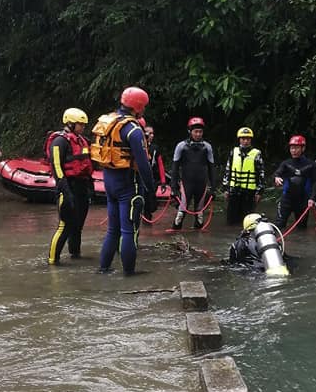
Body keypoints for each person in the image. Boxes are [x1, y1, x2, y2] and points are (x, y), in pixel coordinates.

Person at [91, 86, 155, 276]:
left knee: (113, 230)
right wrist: (151, 190)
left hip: (109, 181)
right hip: (128, 184)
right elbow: (143, 165)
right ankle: (129, 274)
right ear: (137, 107)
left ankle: (104, 269)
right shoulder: (134, 130)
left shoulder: (110, 121)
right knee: (129, 230)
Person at [46, 108, 93, 264]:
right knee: (65, 225)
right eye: (80, 124)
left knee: (78, 225)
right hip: (67, 188)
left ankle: (75, 255)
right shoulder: (59, 141)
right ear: (71, 123)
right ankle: (53, 260)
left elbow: (87, 164)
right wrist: (65, 191)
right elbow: (57, 168)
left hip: (82, 187)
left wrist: (90, 187)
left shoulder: (82, 140)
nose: (83, 127)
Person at [170, 117, 216, 230]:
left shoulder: (207, 147)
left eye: (200, 131)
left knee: (200, 214)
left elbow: (211, 168)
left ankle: (198, 240)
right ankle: (175, 233)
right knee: (181, 213)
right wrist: (174, 187)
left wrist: (213, 188)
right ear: (190, 131)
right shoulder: (181, 146)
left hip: (201, 183)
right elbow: (175, 168)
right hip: (187, 183)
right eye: (196, 131)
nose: (198, 134)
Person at [222, 126, 265, 226]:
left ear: (251, 140)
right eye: (243, 139)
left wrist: (259, 192)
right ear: (239, 140)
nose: (245, 141)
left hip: (249, 192)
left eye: (248, 139)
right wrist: (226, 189)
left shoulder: (256, 154)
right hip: (234, 190)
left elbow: (261, 174)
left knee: (247, 220)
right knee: (231, 220)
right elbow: (228, 171)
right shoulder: (234, 152)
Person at [273, 135, 315, 231]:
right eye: (292, 148)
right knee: (279, 226)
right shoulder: (286, 163)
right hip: (286, 199)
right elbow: (277, 173)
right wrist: (277, 178)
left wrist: (312, 198)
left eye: (296, 148)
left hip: (303, 201)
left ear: (303, 148)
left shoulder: (311, 164)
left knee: (302, 229)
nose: (293, 151)